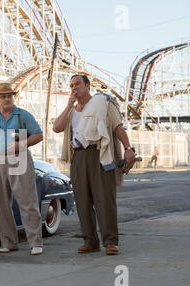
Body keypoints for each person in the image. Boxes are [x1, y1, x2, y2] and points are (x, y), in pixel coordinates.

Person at [52, 74, 136, 256]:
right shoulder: (72, 111)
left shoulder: (103, 104)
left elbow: (117, 127)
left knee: (105, 200)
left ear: (87, 86)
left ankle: (111, 242)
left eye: (78, 84)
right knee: (82, 201)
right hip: (78, 157)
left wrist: (128, 148)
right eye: (71, 85)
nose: (74, 88)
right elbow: (56, 128)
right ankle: (90, 241)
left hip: (100, 153)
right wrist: (68, 105)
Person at [0, 82, 44, 255]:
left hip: (20, 160)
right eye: (3, 96)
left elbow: (39, 135)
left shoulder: (23, 116)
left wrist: (20, 145)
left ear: (13, 97)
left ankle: (35, 242)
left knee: (27, 202)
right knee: (1, 204)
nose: (6, 99)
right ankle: (8, 242)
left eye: (9, 95)